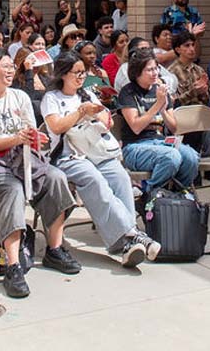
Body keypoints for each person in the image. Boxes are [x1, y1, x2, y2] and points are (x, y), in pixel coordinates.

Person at [0, 51, 80, 298]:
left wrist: (36, 138)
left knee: (56, 178)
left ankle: (55, 249)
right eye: (4, 66)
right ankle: (12, 265)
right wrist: (16, 138)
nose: (10, 70)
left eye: (11, 67)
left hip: (22, 158)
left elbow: (29, 131)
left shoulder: (20, 97)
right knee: (12, 189)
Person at [42, 52, 158, 267]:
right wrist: (80, 113)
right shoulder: (52, 98)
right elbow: (56, 126)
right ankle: (131, 235)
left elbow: (107, 120)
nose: (81, 77)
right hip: (69, 156)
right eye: (76, 73)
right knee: (94, 180)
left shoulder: (87, 93)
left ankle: (127, 242)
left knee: (120, 177)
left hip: (97, 151)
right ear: (63, 74)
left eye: (82, 72)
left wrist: (97, 114)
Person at [117, 48, 199, 192]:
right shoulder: (128, 92)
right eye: (149, 70)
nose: (155, 73)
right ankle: (149, 194)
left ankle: (176, 193)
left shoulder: (160, 90)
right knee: (170, 157)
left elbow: (174, 128)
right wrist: (157, 105)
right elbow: (136, 126)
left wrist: (163, 110)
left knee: (191, 157)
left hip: (161, 141)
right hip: (135, 146)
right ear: (137, 73)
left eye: (156, 68)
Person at [167, 32, 210, 158]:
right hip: (183, 118)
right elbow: (174, 103)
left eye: (193, 45)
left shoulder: (198, 70)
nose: (191, 49)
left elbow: (207, 100)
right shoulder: (171, 72)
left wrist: (204, 92)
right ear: (178, 49)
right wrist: (194, 92)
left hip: (200, 116)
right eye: (187, 46)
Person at [113, 36, 178, 96]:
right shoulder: (125, 67)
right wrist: (155, 84)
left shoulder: (153, 64)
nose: (147, 51)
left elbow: (173, 80)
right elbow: (132, 87)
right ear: (133, 52)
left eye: (149, 49)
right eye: (143, 49)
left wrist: (161, 81)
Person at [13, 42, 52, 124]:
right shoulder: (16, 81)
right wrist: (29, 71)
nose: (36, 67)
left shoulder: (44, 77)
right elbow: (28, 98)